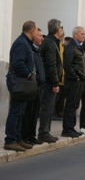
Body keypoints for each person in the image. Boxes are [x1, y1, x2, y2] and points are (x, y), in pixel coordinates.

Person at [4, 21, 38, 151]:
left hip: (22, 82)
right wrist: (29, 74)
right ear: (31, 31)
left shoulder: (26, 43)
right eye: (36, 31)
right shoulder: (21, 43)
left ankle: (18, 139)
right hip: (19, 82)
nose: (36, 33)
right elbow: (18, 63)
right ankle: (10, 140)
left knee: (21, 112)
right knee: (16, 111)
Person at [38, 19, 63, 143]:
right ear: (58, 30)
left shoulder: (52, 42)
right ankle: (43, 132)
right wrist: (55, 83)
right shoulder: (50, 43)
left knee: (49, 107)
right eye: (61, 27)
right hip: (49, 82)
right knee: (47, 107)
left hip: (50, 81)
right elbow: (51, 65)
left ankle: (46, 131)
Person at [21, 28, 45, 145]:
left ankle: (31, 135)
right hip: (31, 85)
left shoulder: (37, 51)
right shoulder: (29, 49)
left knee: (35, 113)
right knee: (28, 112)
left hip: (38, 86)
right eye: (39, 35)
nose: (42, 38)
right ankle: (25, 136)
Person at [62, 26, 85, 138]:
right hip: (73, 81)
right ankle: (67, 129)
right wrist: (75, 77)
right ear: (75, 35)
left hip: (79, 80)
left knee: (75, 104)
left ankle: (71, 127)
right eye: (82, 34)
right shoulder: (70, 47)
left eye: (84, 34)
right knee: (70, 104)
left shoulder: (79, 47)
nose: (84, 36)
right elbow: (67, 65)